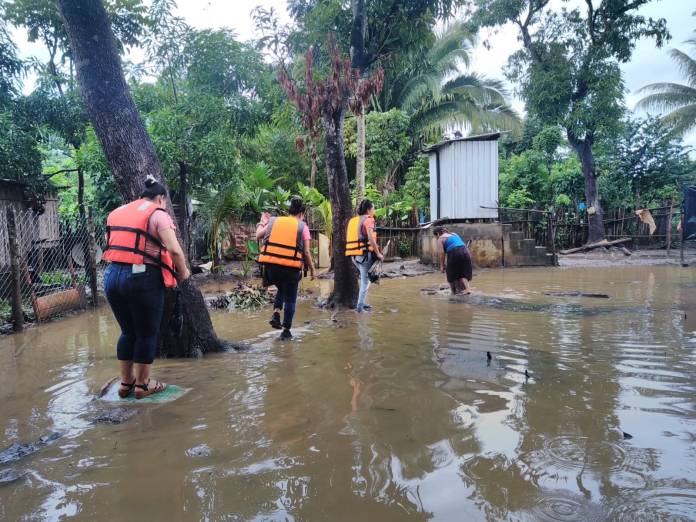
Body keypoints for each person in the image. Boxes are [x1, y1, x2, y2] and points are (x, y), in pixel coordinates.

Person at [102, 176, 191, 399]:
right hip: (142, 278)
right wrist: (183, 273)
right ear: (161, 198)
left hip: (112, 276)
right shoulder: (158, 215)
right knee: (146, 333)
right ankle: (143, 385)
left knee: (127, 331)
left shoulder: (116, 212)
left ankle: (126, 383)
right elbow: (175, 250)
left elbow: (111, 243)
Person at [257, 197, 315, 340]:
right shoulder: (303, 227)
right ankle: (286, 330)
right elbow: (306, 252)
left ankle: (276, 313)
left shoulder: (274, 221)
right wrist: (312, 269)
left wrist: (261, 221)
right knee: (290, 298)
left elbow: (258, 235)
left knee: (282, 288)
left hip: (271, 267)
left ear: (289, 211)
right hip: (291, 269)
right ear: (302, 213)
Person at [345, 199, 384, 312]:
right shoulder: (369, 220)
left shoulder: (353, 220)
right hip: (364, 256)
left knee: (365, 279)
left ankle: (361, 302)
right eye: (373, 208)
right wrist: (378, 253)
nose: (374, 211)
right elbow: (371, 238)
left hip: (354, 256)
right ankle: (360, 307)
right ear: (368, 209)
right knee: (366, 281)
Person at [433, 226, 472, 295]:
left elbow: (442, 254)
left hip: (455, 252)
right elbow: (459, 244)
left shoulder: (440, 239)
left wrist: (442, 266)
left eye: (435, 236)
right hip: (466, 251)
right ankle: (467, 289)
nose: (436, 238)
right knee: (463, 271)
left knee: (450, 272)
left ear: (437, 234)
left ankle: (453, 291)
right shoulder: (454, 234)